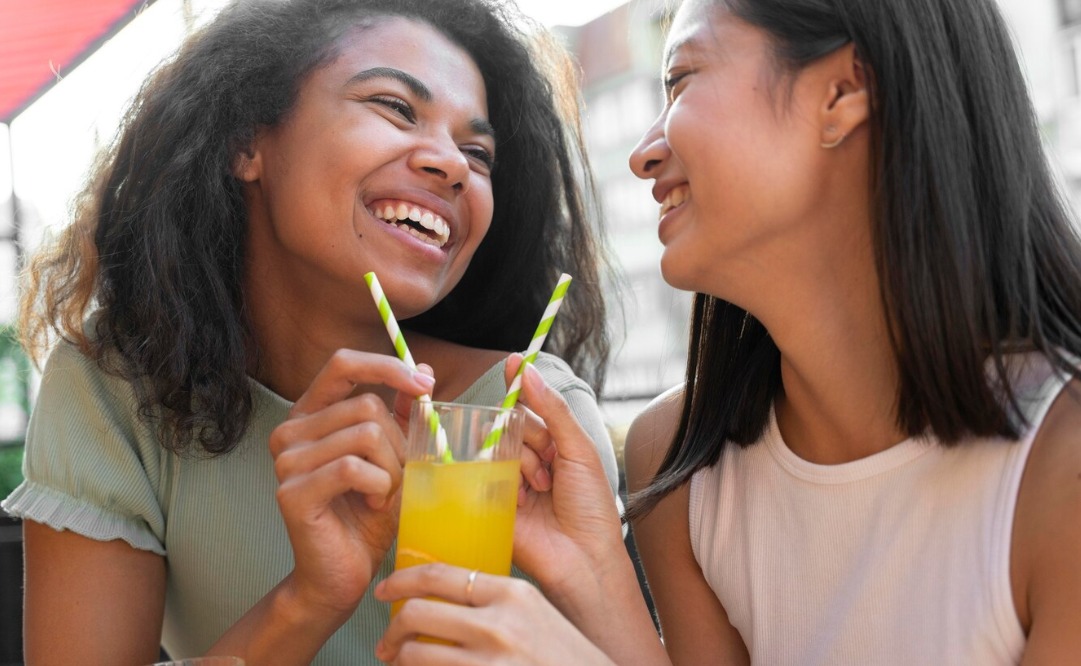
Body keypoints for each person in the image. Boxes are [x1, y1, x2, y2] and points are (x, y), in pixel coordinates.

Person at [374, 0, 1081, 663]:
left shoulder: (1059, 471)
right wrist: (591, 572)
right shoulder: (679, 465)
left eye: (679, 80)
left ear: (840, 94)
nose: (642, 153)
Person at [0, 0, 623, 663]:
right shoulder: (113, 393)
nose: (452, 164)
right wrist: (308, 599)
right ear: (247, 141)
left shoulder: (527, 418)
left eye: (478, 151)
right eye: (395, 107)